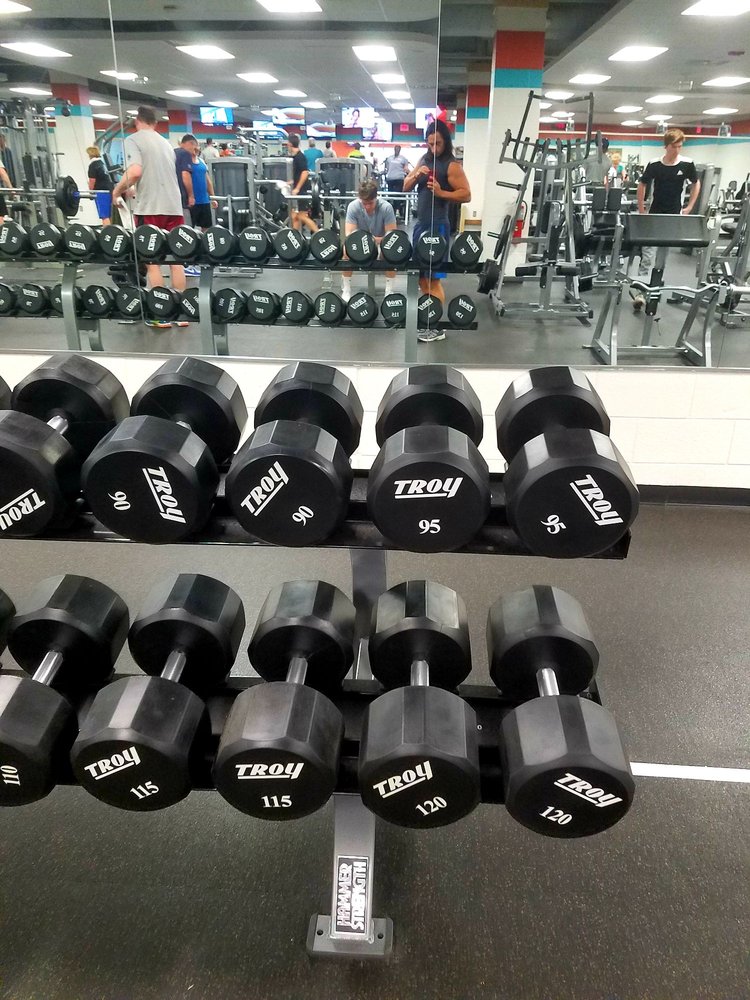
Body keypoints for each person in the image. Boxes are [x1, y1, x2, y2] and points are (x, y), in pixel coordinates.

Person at [111, 104, 188, 331]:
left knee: (152, 262)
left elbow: (135, 172)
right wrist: (135, 189)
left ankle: (161, 314)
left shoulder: (133, 140)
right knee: (176, 261)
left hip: (150, 208)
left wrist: (117, 190)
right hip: (173, 206)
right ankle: (181, 313)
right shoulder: (166, 143)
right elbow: (156, 175)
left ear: (137, 121)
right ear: (155, 122)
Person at [403, 118, 471, 342]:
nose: (434, 148)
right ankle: (429, 320)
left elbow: (466, 194)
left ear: (446, 142)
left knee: (433, 280)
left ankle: (435, 327)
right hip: (421, 225)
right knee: (422, 278)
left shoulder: (452, 165)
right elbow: (405, 187)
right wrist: (416, 175)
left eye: (438, 144)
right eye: (430, 143)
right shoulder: (424, 159)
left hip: (438, 226)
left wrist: (442, 193)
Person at [633, 127, 701, 306]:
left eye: (680, 146)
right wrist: (641, 208)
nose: (677, 150)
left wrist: (689, 207)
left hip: (672, 217)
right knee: (647, 254)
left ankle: (653, 290)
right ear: (666, 146)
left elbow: (696, 183)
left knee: (662, 257)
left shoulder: (687, 164)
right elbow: (642, 184)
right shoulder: (655, 164)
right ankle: (640, 293)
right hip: (654, 214)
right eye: (674, 146)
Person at [341, 178, 398, 302]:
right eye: (364, 203)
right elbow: (350, 236)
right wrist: (364, 242)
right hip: (360, 245)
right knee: (346, 250)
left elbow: (392, 238)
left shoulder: (386, 208)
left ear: (376, 198)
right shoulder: (353, 207)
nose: (367, 207)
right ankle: (346, 289)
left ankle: (389, 291)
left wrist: (370, 240)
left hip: (380, 244)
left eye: (370, 203)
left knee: (392, 252)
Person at [182, 141, 218, 232]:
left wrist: (213, 197)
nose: (196, 149)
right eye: (194, 147)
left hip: (204, 201)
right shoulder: (186, 163)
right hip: (191, 202)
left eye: (197, 147)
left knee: (206, 228)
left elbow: (208, 181)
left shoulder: (201, 161)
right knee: (189, 230)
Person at [287, 133, 319, 235]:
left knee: (301, 216)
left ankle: (319, 234)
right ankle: (295, 238)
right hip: (298, 190)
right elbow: (298, 175)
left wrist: (297, 188)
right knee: (295, 216)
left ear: (290, 144)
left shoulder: (300, 157)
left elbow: (305, 173)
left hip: (301, 191)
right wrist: (291, 183)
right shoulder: (295, 157)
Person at [86, 146, 113, 227]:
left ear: (90, 155)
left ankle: (107, 232)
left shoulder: (93, 165)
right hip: (109, 190)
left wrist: (90, 192)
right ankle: (111, 231)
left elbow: (92, 181)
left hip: (101, 192)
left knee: (104, 216)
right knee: (108, 215)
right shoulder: (102, 163)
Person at [383, 144, 410, 221]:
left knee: (398, 195)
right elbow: (387, 168)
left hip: (399, 178)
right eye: (395, 149)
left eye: (398, 149)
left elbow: (406, 169)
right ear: (394, 149)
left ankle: (397, 211)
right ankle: (391, 211)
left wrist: (411, 174)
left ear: (400, 150)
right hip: (390, 178)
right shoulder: (389, 158)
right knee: (390, 195)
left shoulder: (403, 159)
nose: (396, 150)